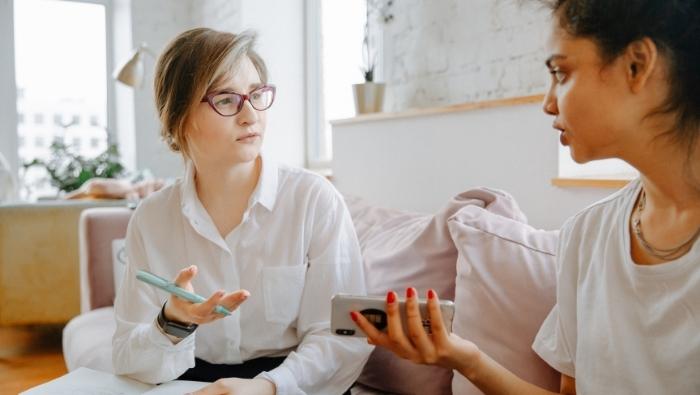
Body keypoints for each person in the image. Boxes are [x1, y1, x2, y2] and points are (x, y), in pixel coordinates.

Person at [353, 1, 700, 394]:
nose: (548, 102)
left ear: (637, 65)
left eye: (561, 73)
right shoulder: (587, 236)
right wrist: (461, 356)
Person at [112, 28, 372, 395]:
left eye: (257, 95)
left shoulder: (314, 200)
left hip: (293, 383)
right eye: (227, 99)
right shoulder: (151, 219)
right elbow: (126, 354)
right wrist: (172, 322)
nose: (251, 115)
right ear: (179, 117)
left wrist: (268, 387)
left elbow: (342, 337)